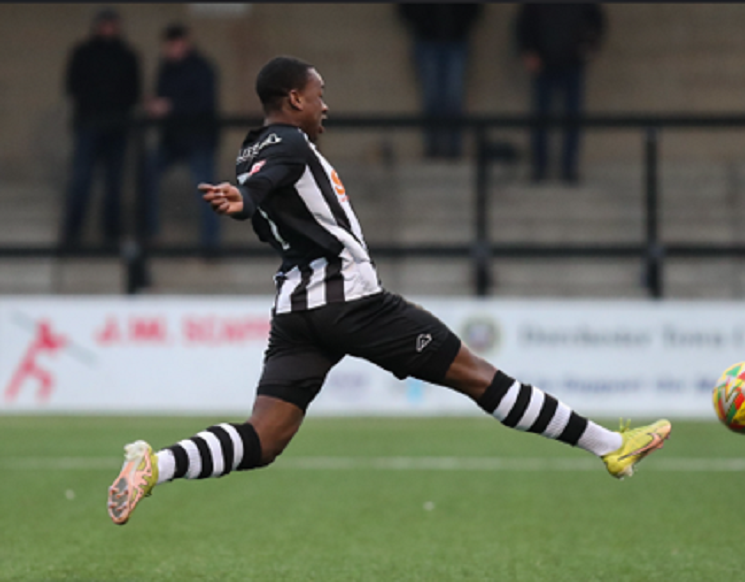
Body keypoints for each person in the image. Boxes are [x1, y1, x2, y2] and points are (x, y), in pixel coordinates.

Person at [106, 56, 671, 526]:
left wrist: (246, 198)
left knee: (265, 438)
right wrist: (245, 198)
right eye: (318, 93)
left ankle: (157, 464)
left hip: (296, 312)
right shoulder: (287, 145)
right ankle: (609, 447)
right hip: (353, 302)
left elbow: (263, 188)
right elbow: (263, 185)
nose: (325, 104)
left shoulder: (254, 147)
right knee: (478, 376)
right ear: (294, 99)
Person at [61, 7, 141, 247]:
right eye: (105, 24)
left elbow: (133, 91)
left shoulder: (127, 56)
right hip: (89, 124)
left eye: (112, 25)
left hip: (117, 127)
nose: (108, 29)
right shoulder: (83, 53)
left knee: (114, 184)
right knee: (81, 180)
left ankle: (111, 235)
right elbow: (72, 85)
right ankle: (72, 235)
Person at [143, 23, 220, 250]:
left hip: (198, 140)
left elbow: (203, 103)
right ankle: (150, 233)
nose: (173, 49)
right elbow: (162, 96)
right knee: (146, 172)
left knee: (207, 193)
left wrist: (170, 107)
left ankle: (210, 245)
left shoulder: (202, 68)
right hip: (173, 140)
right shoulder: (166, 67)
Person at [516, 4, 606, 184]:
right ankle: (539, 168)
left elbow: (597, 22)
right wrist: (528, 51)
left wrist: (588, 48)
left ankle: (569, 168)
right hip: (544, 65)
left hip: (572, 64)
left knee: (572, 119)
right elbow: (523, 24)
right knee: (540, 118)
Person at [397, 3, 482, 159]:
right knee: (431, 98)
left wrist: (461, 23)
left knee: (454, 97)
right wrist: (422, 22)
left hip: (456, 40)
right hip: (426, 39)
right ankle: (433, 147)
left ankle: (454, 148)